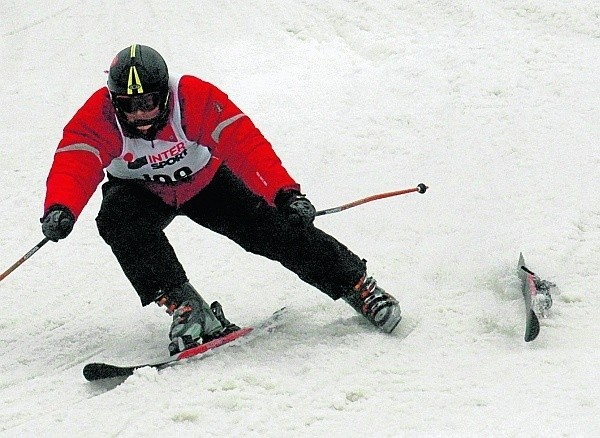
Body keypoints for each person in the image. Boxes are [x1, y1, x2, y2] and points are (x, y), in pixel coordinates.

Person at [41, 44, 402, 354]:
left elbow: (245, 146)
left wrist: (285, 193)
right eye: (127, 105)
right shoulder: (100, 115)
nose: (138, 114)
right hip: (141, 191)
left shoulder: (195, 98)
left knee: (274, 227)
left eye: (148, 102)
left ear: (164, 94)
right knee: (116, 218)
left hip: (206, 182)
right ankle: (187, 309)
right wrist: (61, 207)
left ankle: (357, 286)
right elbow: (76, 158)